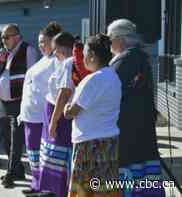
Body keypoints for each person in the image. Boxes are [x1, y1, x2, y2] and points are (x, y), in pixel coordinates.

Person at [107, 19, 166, 196]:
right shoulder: (140, 56)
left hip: (127, 127)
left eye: (110, 38)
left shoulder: (124, 60)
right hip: (142, 123)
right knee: (145, 164)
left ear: (121, 39)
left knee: (129, 167)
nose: (109, 42)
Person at [65, 34, 121, 197]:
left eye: (83, 55)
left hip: (88, 145)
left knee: (84, 192)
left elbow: (71, 112)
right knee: (106, 190)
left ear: (92, 56)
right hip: (110, 142)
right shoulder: (114, 77)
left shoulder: (92, 80)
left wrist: (66, 108)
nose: (82, 59)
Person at [0, 24, 38, 188]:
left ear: (17, 36)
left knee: (16, 138)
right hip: (3, 102)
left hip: (18, 100)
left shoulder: (28, 50)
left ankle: (10, 173)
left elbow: (32, 76)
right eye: (2, 37)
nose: (3, 40)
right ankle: (17, 168)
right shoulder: (4, 54)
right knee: (5, 137)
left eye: (6, 37)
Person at [18, 22, 62, 194]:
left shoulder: (57, 62)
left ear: (54, 41)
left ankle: (45, 186)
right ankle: (36, 183)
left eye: (45, 41)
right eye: (39, 42)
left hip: (41, 116)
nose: (41, 45)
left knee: (44, 154)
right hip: (29, 115)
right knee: (32, 153)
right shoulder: (44, 60)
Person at [37, 32, 74, 197]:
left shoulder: (68, 63)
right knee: (51, 154)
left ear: (61, 48)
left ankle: (60, 190)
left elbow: (63, 93)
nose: (54, 53)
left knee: (58, 155)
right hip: (53, 111)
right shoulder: (64, 63)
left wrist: (53, 121)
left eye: (55, 50)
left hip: (59, 116)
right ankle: (52, 188)